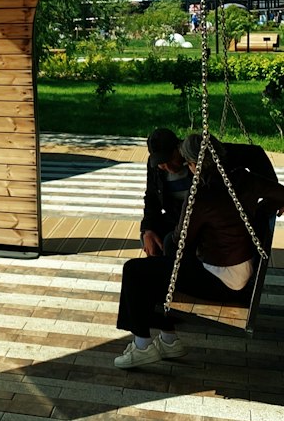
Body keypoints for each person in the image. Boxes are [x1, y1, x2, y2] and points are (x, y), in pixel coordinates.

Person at [117, 132, 284, 368]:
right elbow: (281, 193)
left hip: (220, 281)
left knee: (135, 270)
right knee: (159, 269)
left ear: (193, 163)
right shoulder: (246, 180)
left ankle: (142, 344)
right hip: (242, 273)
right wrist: (261, 210)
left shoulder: (200, 197)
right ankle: (167, 339)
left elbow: (179, 243)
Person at [140, 127, 278, 257]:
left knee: (171, 243)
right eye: (161, 163)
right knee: (152, 238)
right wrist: (148, 229)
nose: (167, 167)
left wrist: (274, 191)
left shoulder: (200, 154)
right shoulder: (155, 168)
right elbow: (152, 196)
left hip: (207, 219)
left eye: (170, 160)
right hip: (176, 215)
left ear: (178, 148)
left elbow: (255, 154)